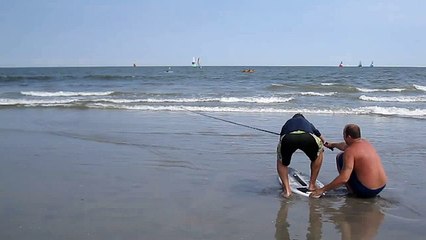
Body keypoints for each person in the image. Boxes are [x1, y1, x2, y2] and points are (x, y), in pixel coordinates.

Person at [310, 124, 387, 198]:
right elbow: (344, 145)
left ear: (349, 137)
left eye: (344, 135)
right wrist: (333, 145)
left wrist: (322, 190)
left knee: (340, 157)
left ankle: (352, 191)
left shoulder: (350, 151)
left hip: (367, 191)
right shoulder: (366, 143)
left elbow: (344, 178)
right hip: (381, 186)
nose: (343, 137)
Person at [277, 113, 326, 197]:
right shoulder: (308, 123)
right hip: (308, 137)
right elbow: (320, 136)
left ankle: (287, 191)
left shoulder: (288, 122)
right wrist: (326, 143)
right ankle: (312, 185)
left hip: (288, 138)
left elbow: (281, 138)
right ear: (303, 118)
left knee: (281, 162)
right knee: (319, 153)